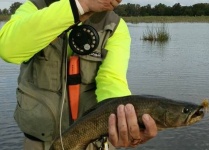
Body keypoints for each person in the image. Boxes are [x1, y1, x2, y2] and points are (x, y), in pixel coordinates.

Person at [0, 0, 157, 149]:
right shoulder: (34, 7)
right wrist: (80, 5)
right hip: (39, 143)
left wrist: (125, 118)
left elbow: (112, 81)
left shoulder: (115, 26)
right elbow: (8, 50)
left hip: (93, 142)